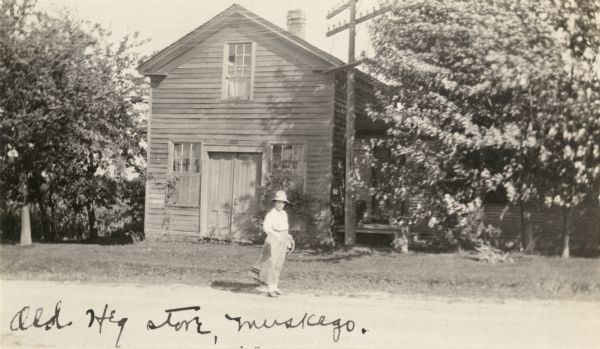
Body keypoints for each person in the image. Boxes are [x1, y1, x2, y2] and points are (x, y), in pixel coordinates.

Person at [249, 190, 295, 297]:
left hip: (282, 239)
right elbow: (266, 228)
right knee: (271, 263)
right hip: (273, 239)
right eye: (279, 202)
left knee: (279, 263)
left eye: (283, 203)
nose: (281, 204)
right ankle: (270, 288)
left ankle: (275, 285)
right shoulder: (271, 214)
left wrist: (288, 240)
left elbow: (285, 228)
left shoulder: (284, 214)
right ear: (275, 202)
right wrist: (275, 235)